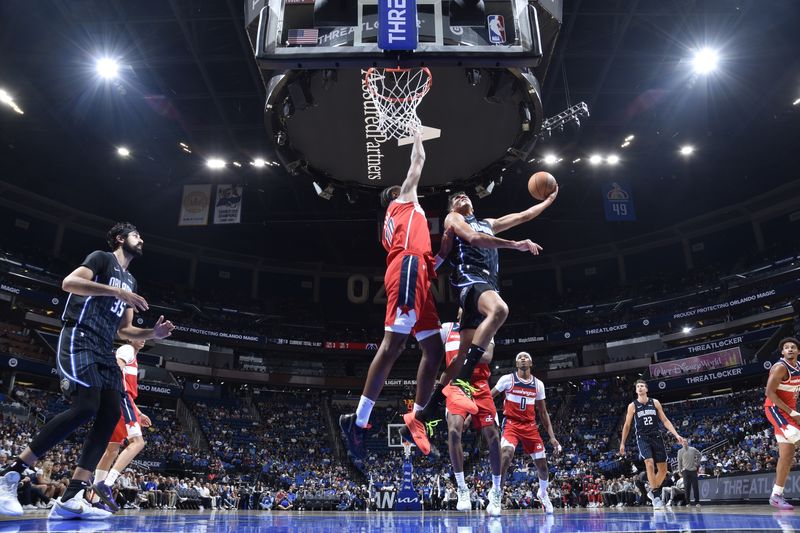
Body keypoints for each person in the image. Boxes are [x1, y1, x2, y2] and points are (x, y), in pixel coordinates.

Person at [0, 222, 175, 519]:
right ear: (120, 239)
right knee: (86, 407)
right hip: (79, 337)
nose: (141, 239)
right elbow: (69, 283)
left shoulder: (131, 281)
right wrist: (114, 293)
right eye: (136, 235)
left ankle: (72, 496)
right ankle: (12, 474)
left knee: (109, 415)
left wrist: (152, 335)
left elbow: (126, 330)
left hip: (104, 346)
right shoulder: (101, 258)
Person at [339, 133, 475, 459]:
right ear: (395, 195)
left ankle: (418, 416)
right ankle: (357, 421)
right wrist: (416, 133)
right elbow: (418, 162)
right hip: (408, 270)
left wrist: (444, 246)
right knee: (394, 346)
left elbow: (433, 259)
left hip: (420, 274)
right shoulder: (404, 202)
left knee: (433, 349)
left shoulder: (401, 223)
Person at [442, 186, 556, 427]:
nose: (460, 197)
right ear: (452, 208)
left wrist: (548, 201)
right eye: (455, 198)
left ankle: (427, 409)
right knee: (500, 310)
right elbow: (473, 238)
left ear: (472, 203)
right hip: (471, 280)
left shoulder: (488, 223)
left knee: (461, 355)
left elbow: (523, 215)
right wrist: (515, 244)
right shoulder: (454, 218)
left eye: (464, 195)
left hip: (485, 284)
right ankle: (462, 381)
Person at [441, 318, 500, 513]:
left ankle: (497, 490)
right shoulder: (447, 328)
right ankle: (461, 487)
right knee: (454, 431)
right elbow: (428, 346)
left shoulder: (487, 326)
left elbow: (488, 356)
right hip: (456, 383)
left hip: (479, 384)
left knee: (493, 436)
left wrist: (462, 350)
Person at [491, 352, 560, 515]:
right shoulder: (507, 379)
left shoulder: (538, 385)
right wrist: (490, 416)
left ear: (531, 363)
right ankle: (497, 495)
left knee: (542, 466)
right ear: (516, 364)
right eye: (519, 357)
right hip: (511, 424)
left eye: (526, 357)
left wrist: (552, 437)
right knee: (506, 455)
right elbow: (489, 396)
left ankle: (543, 494)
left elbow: (543, 413)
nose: (522, 358)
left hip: (530, 427)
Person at [92, 339, 151, 510]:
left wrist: (138, 413)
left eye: (144, 335)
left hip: (118, 400)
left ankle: (95, 501)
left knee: (111, 451)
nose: (143, 338)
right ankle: (107, 483)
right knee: (138, 443)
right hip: (121, 398)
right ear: (129, 337)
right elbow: (115, 370)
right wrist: (118, 395)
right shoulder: (127, 349)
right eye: (138, 334)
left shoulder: (130, 353)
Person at [619, 379, 686, 510]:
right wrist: (622, 443)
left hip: (657, 436)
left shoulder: (654, 402)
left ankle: (652, 489)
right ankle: (656, 495)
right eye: (637, 386)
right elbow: (627, 425)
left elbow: (665, 420)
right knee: (649, 462)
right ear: (636, 390)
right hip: (643, 437)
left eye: (642, 386)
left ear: (646, 389)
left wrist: (676, 434)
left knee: (663, 470)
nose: (639, 388)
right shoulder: (632, 406)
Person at [764, 336, 800, 510]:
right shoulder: (779, 368)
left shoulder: (799, 368)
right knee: (796, 437)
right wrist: (793, 412)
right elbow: (769, 393)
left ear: (798, 352)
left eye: (793, 347)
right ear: (782, 352)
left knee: (787, 455)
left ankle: (776, 495)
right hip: (775, 409)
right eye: (786, 347)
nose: (790, 349)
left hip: (790, 412)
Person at [677, 439, 701, 507]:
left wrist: (697, 463)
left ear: (687, 442)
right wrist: (679, 471)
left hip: (693, 470)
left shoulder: (693, 449)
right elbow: (679, 462)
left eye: (685, 441)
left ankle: (697, 502)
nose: (684, 442)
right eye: (683, 442)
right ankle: (688, 503)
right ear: (681, 443)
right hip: (685, 471)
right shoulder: (680, 451)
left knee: (695, 486)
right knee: (687, 487)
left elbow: (699, 455)